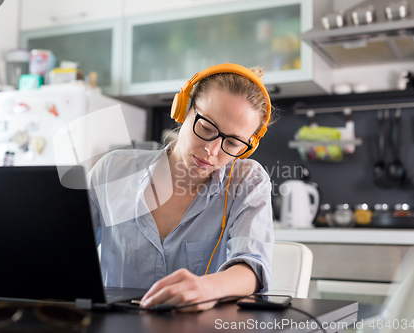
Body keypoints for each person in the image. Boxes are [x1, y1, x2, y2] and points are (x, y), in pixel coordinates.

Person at [88, 63, 275, 312]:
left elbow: (253, 266)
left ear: (246, 147)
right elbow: (66, 249)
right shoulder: (112, 170)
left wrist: (209, 288)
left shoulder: (247, 180)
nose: (212, 150)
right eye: (206, 128)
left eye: (232, 143)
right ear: (183, 109)